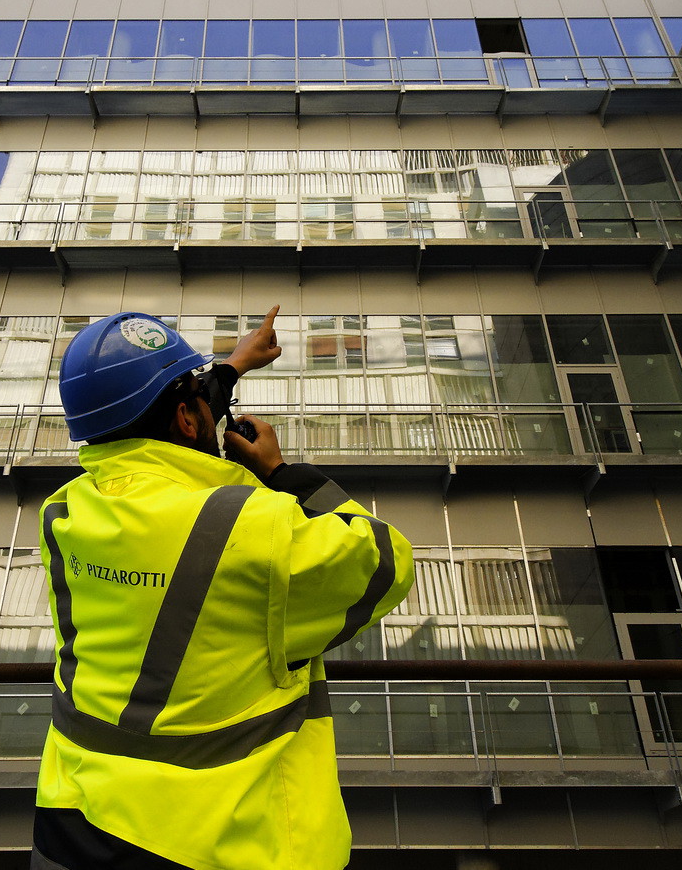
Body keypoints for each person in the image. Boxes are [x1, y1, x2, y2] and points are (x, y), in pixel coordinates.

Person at [32, 306, 415, 870]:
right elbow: (387, 563)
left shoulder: (63, 513)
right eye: (198, 398)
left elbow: (150, 431)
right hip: (217, 844)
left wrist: (233, 367)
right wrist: (283, 473)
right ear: (188, 419)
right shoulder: (254, 525)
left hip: (75, 821)